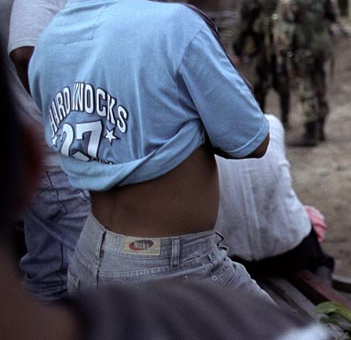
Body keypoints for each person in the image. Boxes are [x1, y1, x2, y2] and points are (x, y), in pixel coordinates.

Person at [28, 0, 272, 299]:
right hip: (174, 268)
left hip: (89, 257)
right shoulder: (175, 27)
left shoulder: (45, 47)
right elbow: (251, 139)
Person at [0, 50, 332, 340]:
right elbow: (253, 144)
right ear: (31, 163)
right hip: (208, 258)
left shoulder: (87, 287)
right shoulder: (253, 324)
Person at [0, 0, 90, 301]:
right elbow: (24, 48)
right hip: (52, 156)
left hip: (27, 150)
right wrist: (60, 120)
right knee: (67, 280)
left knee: (48, 269)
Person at [216, 113, 335, 280]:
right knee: (323, 260)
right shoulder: (271, 123)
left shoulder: (193, 141)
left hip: (233, 259)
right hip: (291, 250)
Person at [274, 0, 333, 147]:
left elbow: (284, 32)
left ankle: (310, 133)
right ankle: (321, 129)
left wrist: (282, 56)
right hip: (321, 48)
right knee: (319, 84)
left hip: (302, 50)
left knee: (304, 87)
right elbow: (330, 15)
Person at [233, 0, 291, 126]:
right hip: (278, 46)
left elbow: (242, 25)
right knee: (282, 82)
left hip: (257, 48)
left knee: (258, 85)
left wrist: (237, 49)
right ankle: (285, 119)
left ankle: (261, 121)